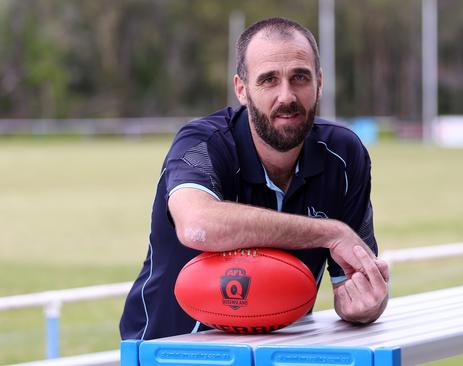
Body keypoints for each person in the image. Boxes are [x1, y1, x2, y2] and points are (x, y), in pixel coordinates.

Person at [120, 17, 389, 340]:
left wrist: (363, 306)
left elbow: (352, 285)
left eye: (299, 78)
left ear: (319, 82)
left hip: (277, 356)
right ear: (241, 89)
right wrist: (328, 233)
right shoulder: (202, 143)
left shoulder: (344, 156)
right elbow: (197, 224)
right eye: (269, 80)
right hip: (169, 353)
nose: (286, 96)